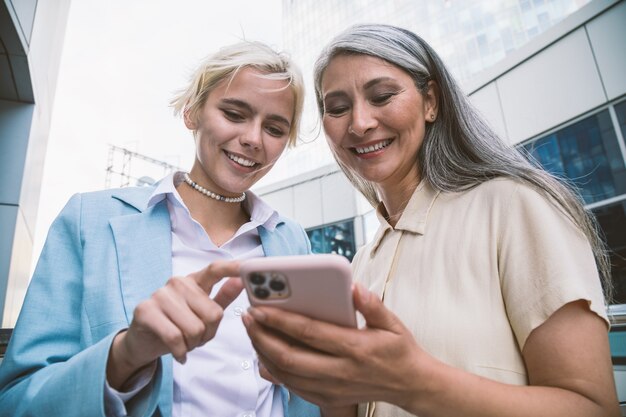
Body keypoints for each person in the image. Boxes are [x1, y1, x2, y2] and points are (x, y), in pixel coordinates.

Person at [242, 24, 621, 417]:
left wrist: (415, 383)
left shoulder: (514, 207)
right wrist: (322, 386)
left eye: (382, 96)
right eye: (336, 108)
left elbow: (594, 408)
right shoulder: (360, 264)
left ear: (431, 102)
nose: (359, 123)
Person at [0, 41, 320, 417]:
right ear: (192, 113)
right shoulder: (91, 221)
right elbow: (16, 400)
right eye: (234, 114)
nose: (254, 138)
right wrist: (126, 353)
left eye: (275, 128)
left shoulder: (292, 240)